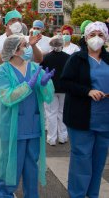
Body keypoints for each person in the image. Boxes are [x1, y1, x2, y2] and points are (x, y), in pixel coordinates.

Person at [0, 34, 55, 198]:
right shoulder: (3, 71)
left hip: (32, 125)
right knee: (10, 164)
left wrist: (45, 84)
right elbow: (7, 97)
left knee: (31, 165)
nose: (27, 48)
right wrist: (28, 86)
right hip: (12, 126)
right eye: (24, 45)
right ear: (14, 50)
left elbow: (47, 96)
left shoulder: (33, 68)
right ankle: (5, 193)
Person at [60, 21, 109, 198]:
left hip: (104, 120)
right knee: (81, 159)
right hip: (81, 119)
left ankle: (92, 194)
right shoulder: (77, 59)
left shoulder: (108, 59)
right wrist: (88, 91)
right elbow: (65, 82)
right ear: (85, 37)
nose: (96, 38)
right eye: (92, 34)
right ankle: (77, 194)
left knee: (98, 162)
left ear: (106, 38)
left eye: (100, 35)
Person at [41, 36, 70, 146]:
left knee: (51, 113)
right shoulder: (68, 57)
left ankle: (51, 138)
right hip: (64, 88)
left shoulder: (46, 57)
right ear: (62, 44)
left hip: (50, 89)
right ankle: (63, 136)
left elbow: (42, 73)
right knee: (62, 112)